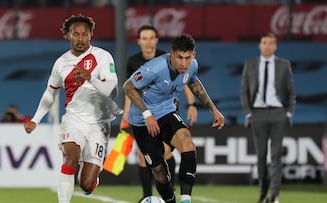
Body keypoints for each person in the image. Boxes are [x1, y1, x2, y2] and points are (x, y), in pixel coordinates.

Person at [23, 14, 121, 203]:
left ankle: (91, 179)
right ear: (67, 35)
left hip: (98, 125)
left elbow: (111, 89)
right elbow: (50, 93)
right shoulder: (61, 63)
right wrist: (35, 120)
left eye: (85, 34)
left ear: (91, 35)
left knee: (86, 184)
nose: (80, 39)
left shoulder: (102, 57)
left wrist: (90, 77)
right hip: (73, 120)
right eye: (76, 34)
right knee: (70, 157)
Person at [123, 33, 225, 203]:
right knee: (160, 173)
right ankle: (170, 200)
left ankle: (186, 199)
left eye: (188, 57)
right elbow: (128, 86)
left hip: (167, 113)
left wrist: (214, 110)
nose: (184, 63)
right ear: (172, 54)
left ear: (194, 55)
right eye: (179, 57)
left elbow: (194, 83)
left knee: (187, 142)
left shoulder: (192, 66)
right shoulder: (154, 68)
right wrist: (147, 114)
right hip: (142, 121)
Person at [121, 25, 198, 202]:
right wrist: (126, 113)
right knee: (146, 159)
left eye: (151, 38)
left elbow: (185, 80)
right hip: (143, 115)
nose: (148, 42)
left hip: (167, 111)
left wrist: (192, 104)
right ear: (139, 41)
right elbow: (132, 88)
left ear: (156, 40)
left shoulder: (171, 58)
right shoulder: (133, 62)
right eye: (144, 39)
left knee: (167, 151)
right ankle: (149, 195)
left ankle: (171, 190)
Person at [240, 32, 295, 203]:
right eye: (264, 42)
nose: (267, 46)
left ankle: (275, 194)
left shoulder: (284, 65)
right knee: (261, 155)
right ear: (260, 45)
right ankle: (263, 192)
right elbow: (244, 91)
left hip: (278, 113)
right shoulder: (250, 64)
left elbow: (291, 91)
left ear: (275, 46)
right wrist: (249, 113)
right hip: (258, 113)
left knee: (276, 155)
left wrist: (288, 113)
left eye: (271, 43)